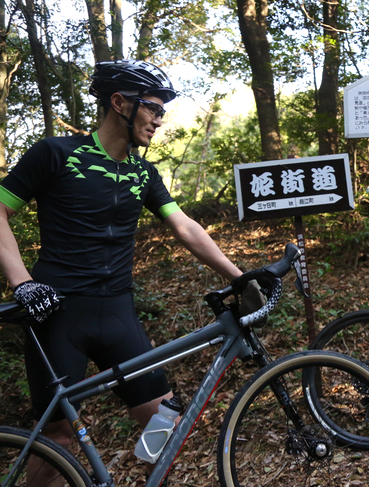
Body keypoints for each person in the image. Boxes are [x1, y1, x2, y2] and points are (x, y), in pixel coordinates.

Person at [0, 60, 244, 481]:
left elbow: (185, 227)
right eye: (154, 108)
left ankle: (142, 477)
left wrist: (240, 277)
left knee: (165, 419)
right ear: (119, 103)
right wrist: (22, 281)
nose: (160, 120)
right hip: (57, 312)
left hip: (116, 311)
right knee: (58, 435)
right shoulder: (56, 154)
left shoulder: (142, 172)